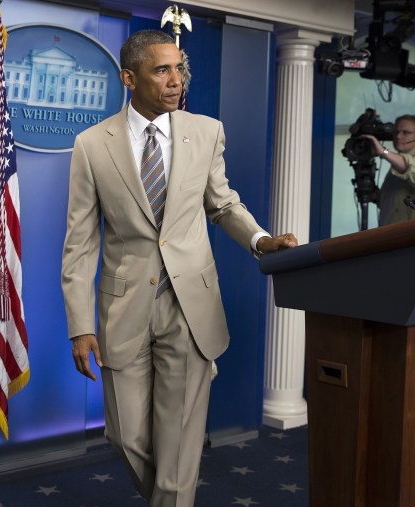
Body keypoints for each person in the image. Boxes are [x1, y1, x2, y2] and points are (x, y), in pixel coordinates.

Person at [61, 29, 297, 507]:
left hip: (190, 305)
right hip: (122, 307)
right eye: (161, 70)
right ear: (129, 78)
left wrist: (261, 239)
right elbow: (81, 241)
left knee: (180, 442)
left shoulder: (206, 131)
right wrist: (79, 324)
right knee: (126, 436)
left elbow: (222, 203)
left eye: (179, 69)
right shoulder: (91, 144)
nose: (175, 80)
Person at [363, 114, 415, 225]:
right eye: (396, 132)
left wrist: (383, 152)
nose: (398, 136)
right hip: (391, 237)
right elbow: (394, 204)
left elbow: (410, 167)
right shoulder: (395, 164)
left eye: (406, 133)